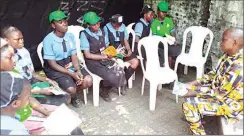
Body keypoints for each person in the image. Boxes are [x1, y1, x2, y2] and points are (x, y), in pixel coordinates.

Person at [182, 27, 243, 135]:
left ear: (234, 42)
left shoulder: (239, 66)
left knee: (189, 105)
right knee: (189, 90)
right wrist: (194, 83)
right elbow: (214, 74)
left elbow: (220, 93)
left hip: (230, 103)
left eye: (224, 40)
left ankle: (199, 132)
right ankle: (199, 118)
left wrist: (195, 91)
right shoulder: (228, 55)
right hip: (219, 93)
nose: (220, 42)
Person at [43, 10, 92, 108]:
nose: (64, 23)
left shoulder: (70, 36)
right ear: (53, 25)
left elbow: (74, 55)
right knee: (70, 88)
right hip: (56, 67)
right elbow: (52, 64)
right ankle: (73, 96)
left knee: (88, 80)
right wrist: (72, 74)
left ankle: (71, 91)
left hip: (69, 62)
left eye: (65, 20)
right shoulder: (48, 40)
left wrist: (77, 70)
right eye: (60, 22)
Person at [80, 11, 127, 101]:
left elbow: (106, 47)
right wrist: (104, 57)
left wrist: (114, 53)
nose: (97, 26)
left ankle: (105, 89)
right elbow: (87, 54)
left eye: (98, 23)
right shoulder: (84, 34)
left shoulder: (102, 32)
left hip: (103, 57)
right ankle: (104, 91)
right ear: (88, 25)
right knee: (110, 75)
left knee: (119, 69)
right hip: (92, 62)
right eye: (94, 25)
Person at [103, 14, 139, 87]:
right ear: (112, 22)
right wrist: (113, 54)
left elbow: (125, 40)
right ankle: (115, 84)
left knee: (135, 62)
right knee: (117, 64)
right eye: (116, 25)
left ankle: (123, 81)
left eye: (119, 25)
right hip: (111, 52)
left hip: (122, 50)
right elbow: (105, 45)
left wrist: (128, 50)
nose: (117, 27)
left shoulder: (122, 26)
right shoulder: (106, 28)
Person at [150, 1, 181, 68]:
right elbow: (155, 38)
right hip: (159, 42)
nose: (164, 14)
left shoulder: (169, 20)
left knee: (176, 47)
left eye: (165, 12)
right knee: (168, 50)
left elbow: (172, 33)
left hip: (168, 40)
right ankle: (167, 68)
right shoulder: (154, 23)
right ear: (158, 10)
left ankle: (168, 68)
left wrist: (173, 40)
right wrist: (164, 40)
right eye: (162, 12)